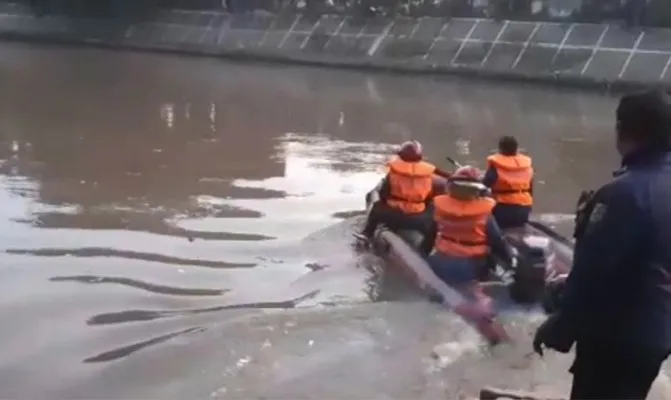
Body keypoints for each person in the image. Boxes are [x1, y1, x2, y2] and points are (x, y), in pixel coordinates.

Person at [533, 90, 671, 399]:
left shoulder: (621, 194)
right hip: (657, 334)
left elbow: (591, 273)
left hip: (615, 339)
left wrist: (561, 327)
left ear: (623, 130)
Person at [428, 166, 514, 292]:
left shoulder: (441, 208)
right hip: (474, 264)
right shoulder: (484, 214)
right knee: (494, 256)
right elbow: (497, 242)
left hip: (444, 260)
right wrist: (510, 261)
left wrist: (422, 255)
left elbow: (430, 236)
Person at [355, 140, 442, 255]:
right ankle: (426, 250)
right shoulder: (429, 176)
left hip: (393, 216)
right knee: (433, 217)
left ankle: (367, 233)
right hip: (417, 219)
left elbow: (383, 195)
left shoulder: (393, 174)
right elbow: (430, 198)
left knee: (376, 207)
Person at [483, 136, 534, 230]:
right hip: (524, 210)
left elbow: (484, 186)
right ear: (517, 149)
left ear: (500, 149)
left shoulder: (496, 166)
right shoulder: (526, 166)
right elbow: (530, 190)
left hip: (503, 210)